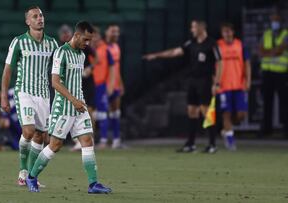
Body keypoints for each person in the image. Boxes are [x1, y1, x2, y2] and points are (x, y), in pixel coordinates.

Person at [25, 21, 112, 194]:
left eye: (90, 40)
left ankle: (93, 184)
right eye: (86, 39)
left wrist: (80, 101)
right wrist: (73, 100)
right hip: (64, 106)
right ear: (77, 35)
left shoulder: (81, 55)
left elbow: (75, 81)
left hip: (79, 106)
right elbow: (55, 83)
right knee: (55, 145)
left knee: (87, 141)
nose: (87, 43)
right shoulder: (61, 52)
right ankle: (32, 177)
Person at [143, 20, 222, 153]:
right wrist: (156, 55)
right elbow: (175, 52)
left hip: (205, 81)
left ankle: (212, 144)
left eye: (194, 27)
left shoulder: (211, 43)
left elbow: (220, 62)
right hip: (193, 81)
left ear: (202, 28)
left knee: (206, 111)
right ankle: (191, 144)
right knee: (192, 111)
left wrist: (217, 83)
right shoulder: (191, 43)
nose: (192, 30)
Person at [0, 6, 58, 186]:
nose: (39, 18)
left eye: (41, 15)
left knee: (40, 136)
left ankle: (32, 177)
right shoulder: (18, 42)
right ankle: (22, 171)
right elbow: (7, 70)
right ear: (28, 21)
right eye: (35, 16)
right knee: (29, 131)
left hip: (43, 95)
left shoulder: (52, 44)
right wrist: (3, 96)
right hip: (24, 92)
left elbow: (58, 71)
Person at [57, 24, 98, 152]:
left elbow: (96, 57)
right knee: (71, 112)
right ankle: (78, 140)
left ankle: (90, 138)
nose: (65, 35)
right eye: (63, 33)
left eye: (66, 33)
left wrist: (90, 68)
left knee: (89, 110)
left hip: (86, 82)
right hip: (71, 85)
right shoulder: (61, 50)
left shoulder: (83, 45)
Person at [216, 23, 251, 150]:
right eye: (224, 31)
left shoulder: (240, 45)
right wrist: (214, 82)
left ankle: (226, 130)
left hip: (239, 84)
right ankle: (230, 140)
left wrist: (248, 80)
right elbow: (212, 65)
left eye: (229, 31)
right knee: (226, 113)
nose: (227, 34)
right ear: (222, 33)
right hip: (223, 85)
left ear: (233, 32)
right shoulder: (217, 46)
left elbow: (247, 64)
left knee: (241, 114)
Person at [259, 12, 288, 137]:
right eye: (272, 20)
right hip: (267, 72)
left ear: (281, 21)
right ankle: (266, 129)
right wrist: (273, 52)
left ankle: (286, 129)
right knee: (267, 102)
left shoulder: (286, 34)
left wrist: (269, 52)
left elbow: (282, 49)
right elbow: (260, 50)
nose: (274, 22)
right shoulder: (267, 33)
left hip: (281, 73)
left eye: (276, 20)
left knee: (284, 102)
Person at [91, 27, 115, 149]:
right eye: (91, 36)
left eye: (95, 36)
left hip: (101, 85)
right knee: (90, 114)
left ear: (99, 36)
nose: (93, 38)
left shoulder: (105, 50)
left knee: (102, 114)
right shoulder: (87, 50)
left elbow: (112, 68)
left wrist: (110, 85)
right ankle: (90, 140)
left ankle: (104, 140)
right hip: (89, 87)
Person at [105, 24, 125, 149]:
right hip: (105, 85)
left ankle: (116, 140)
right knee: (101, 114)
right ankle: (102, 139)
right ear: (107, 32)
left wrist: (121, 83)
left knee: (116, 112)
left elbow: (117, 69)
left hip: (116, 84)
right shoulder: (103, 48)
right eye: (113, 31)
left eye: (117, 32)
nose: (116, 34)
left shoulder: (117, 47)